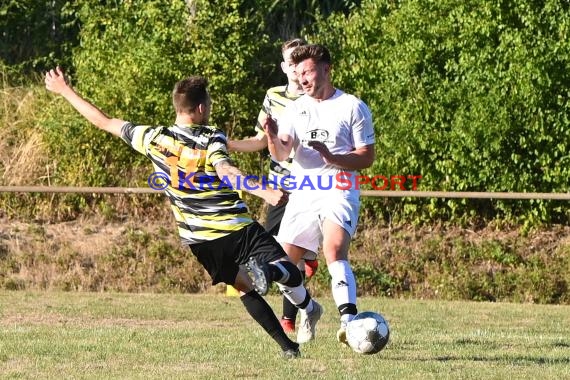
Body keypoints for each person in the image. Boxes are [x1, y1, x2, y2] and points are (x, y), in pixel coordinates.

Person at [44, 67, 323, 358]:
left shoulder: (152, 137)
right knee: (287, 268)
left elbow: (103, 121)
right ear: (201, 108)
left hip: (200, 239)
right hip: (236, 226)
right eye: (209, 105)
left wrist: (65, 91)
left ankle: (288, 348)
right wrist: (262, 190)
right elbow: (225, 170)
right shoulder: (210, 136)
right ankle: (272, 275)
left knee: (244, 288)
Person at [263, 44, 376, 346]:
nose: (302, 79)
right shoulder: (295, 107)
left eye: (307, 71)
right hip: (303, 194)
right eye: (298, 73)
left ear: (326, 69)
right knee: (282, 265)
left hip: (338, 189)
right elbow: (283, 152)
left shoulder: (352, 106)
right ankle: (309, 309)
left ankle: (349, 323)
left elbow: (366, 157)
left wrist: (333, 157)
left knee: (334, 250)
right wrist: (273, 137)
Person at [228, 37, 319, 334]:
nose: (296, 69)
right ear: (283, 66)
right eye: (291, 62)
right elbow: (258, 141)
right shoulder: (273, 96)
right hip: (277, 186)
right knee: (271, 248)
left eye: (300, 62)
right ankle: (306, 263)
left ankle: (290, 318)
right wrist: (227, 144)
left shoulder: (315, 97)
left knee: (284, 249)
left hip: (308, 184)